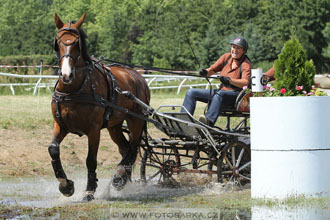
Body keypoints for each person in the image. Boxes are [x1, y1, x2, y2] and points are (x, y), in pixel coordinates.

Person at [181, 37, 252, 127]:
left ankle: (208, 122)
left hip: (234, 95)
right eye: (233, 47)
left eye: (238, 48)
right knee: (191, 92)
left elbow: (245, 82)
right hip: (220, 92)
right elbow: (212, 70)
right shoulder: (226, 57)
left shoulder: (246, 63)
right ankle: (183, 121)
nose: (235, 50)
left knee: (220, 94)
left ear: (243, 51)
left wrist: (229, 80)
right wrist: (205, 72)